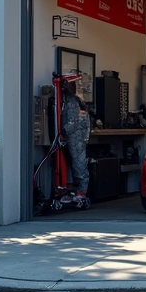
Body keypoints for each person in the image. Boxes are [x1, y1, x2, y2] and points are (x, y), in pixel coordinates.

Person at [60, 78, 90, 206]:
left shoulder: (72, 101)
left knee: (78, 164)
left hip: (75, 137)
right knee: (71, 163)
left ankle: (81, 192)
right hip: (74, 136)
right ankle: (72, 189)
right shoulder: (65, 100)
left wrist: (63, 132)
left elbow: (72, 122)